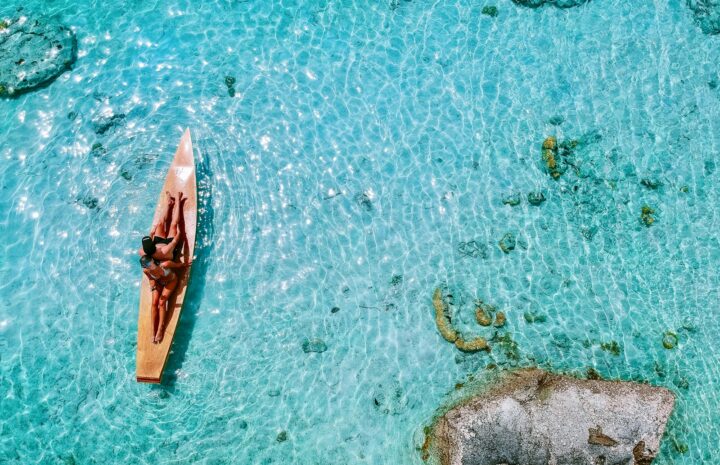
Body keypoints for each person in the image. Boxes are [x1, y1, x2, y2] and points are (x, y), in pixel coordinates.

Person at [140, 255, 191, 343]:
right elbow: (151, 278)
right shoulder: (146, 270)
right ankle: (153, 331)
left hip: (171, 281)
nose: (149, 266)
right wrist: (152, 285)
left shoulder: (165, 264)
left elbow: (178, 265)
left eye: (149, 263)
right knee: (154, 303)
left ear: (152, 260)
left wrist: (186, 264)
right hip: (159, 282)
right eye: (146, 265)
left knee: (161, 302)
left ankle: (160, 328)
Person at [139, 191, 186, 263]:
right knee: (174, 224)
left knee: (160, 223)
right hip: (169, 245)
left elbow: (149, 241)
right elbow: (175, 241)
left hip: (158, 243)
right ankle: (178, 201)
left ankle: (169, 203)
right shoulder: (164, 251)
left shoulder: (142, 251)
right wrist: (179, 232)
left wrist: (151, 233)